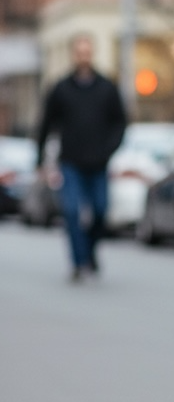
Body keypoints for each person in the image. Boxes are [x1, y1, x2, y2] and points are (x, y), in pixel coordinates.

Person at [36, 35, 127, 280]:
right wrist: (39, 160)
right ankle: (78, 263)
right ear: (73, 55)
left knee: (100, 211)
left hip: (99, 163)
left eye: (87, 52)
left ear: (92, 54)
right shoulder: (61, 88)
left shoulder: (107, 87)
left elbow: (120, 123)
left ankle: (89, 250)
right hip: (71, 163)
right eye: (79, 52)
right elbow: (46, 125)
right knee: (72, 212)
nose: (83, 56)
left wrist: (109, 150)